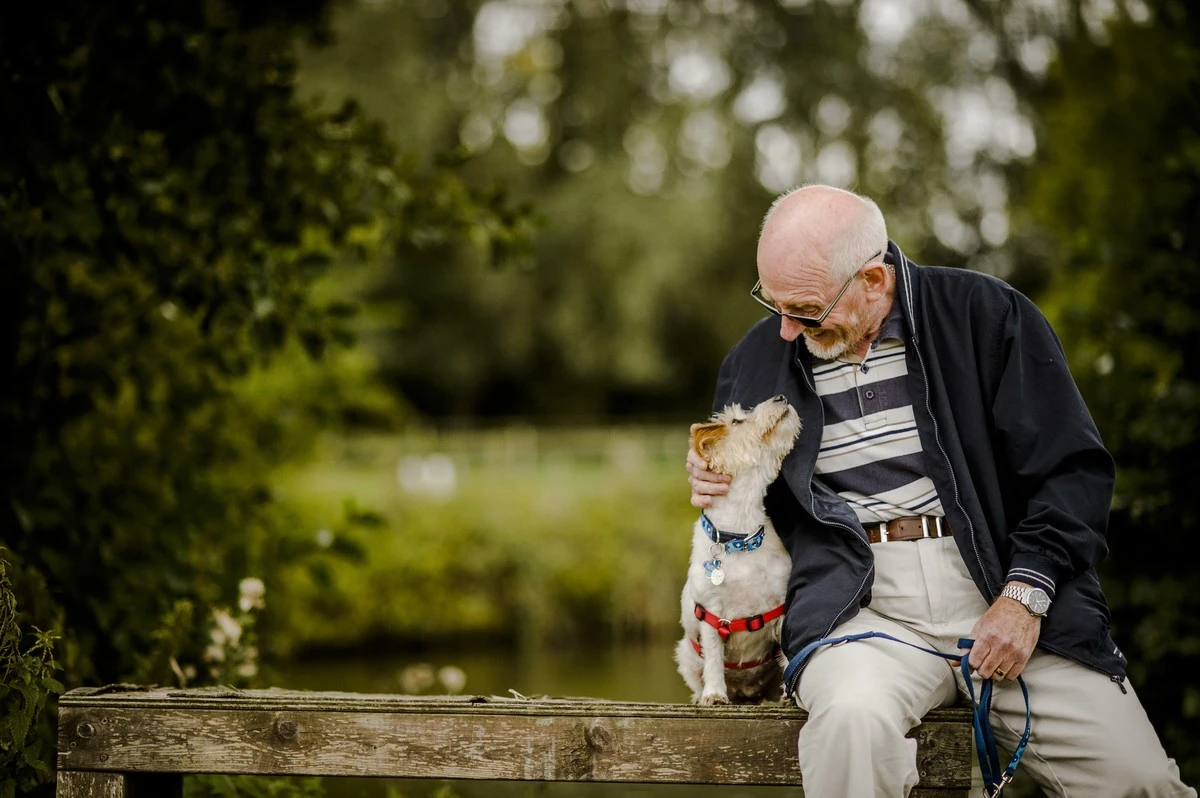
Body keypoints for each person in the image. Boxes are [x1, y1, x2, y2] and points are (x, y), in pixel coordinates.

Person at [686, 184, 1195, 798]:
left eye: (807, 311)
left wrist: (1026, 596)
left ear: (874, 280)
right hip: (859, 604)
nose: (787, 330)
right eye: (774, 305)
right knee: (849, 726)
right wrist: (714, 480)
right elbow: (741, 488)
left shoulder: (989, 316)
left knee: (1139, 781)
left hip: (1006, 588)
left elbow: (1073, 473)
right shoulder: (756, 357)